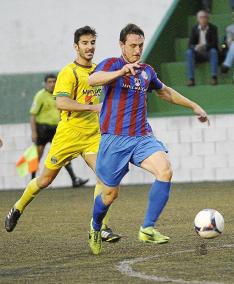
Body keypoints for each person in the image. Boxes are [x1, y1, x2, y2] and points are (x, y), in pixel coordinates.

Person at [87, 23, 209, 255]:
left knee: (165, 170)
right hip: (114, 139)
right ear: (122, 45)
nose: (137, 50)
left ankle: (148, 228)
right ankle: (95, 226)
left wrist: (194, 105)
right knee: (110, 194)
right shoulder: (112, 64)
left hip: (142, 136)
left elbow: (165, 92)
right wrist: (121, 72)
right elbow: (93, 79)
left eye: (140, 45)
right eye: (132, 45)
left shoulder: (147, 71)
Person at [5, 26, 121, 243]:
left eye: (92, 43)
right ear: (76, 46)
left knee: (107, 178)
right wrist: (93, 108)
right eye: (85, 43)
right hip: (67, 135)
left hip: (93, 136)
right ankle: (17, 208)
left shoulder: (98, 70)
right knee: (45, 180)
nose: (90, 47)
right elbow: (61, 102)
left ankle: (100, 227)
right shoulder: (69, 72)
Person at [30, 73, 88, 187]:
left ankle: (74, 179)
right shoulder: (40, 96)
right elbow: (32, 115)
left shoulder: (60, 95)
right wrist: (33, 132)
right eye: (49, 82)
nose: (52, 84)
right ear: (45, 83)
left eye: (54, 82)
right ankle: (32, 181)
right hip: (43, 129)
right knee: (37, 155)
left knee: (63, 153)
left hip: (57, 129)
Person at [186, 10, 219, 86]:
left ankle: (214, 77)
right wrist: (196, 47)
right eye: (201, 17)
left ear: (208, 19)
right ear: (198, 19)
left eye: (205, 17)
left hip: (208, 52)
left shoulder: (213, 28)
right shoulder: (194, 29)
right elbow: (190, 44)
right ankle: (191, 79)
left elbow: (215, 44)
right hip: (197, 53)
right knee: (189, 52)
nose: (203, 19)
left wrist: (205, 46)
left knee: (213, 51)